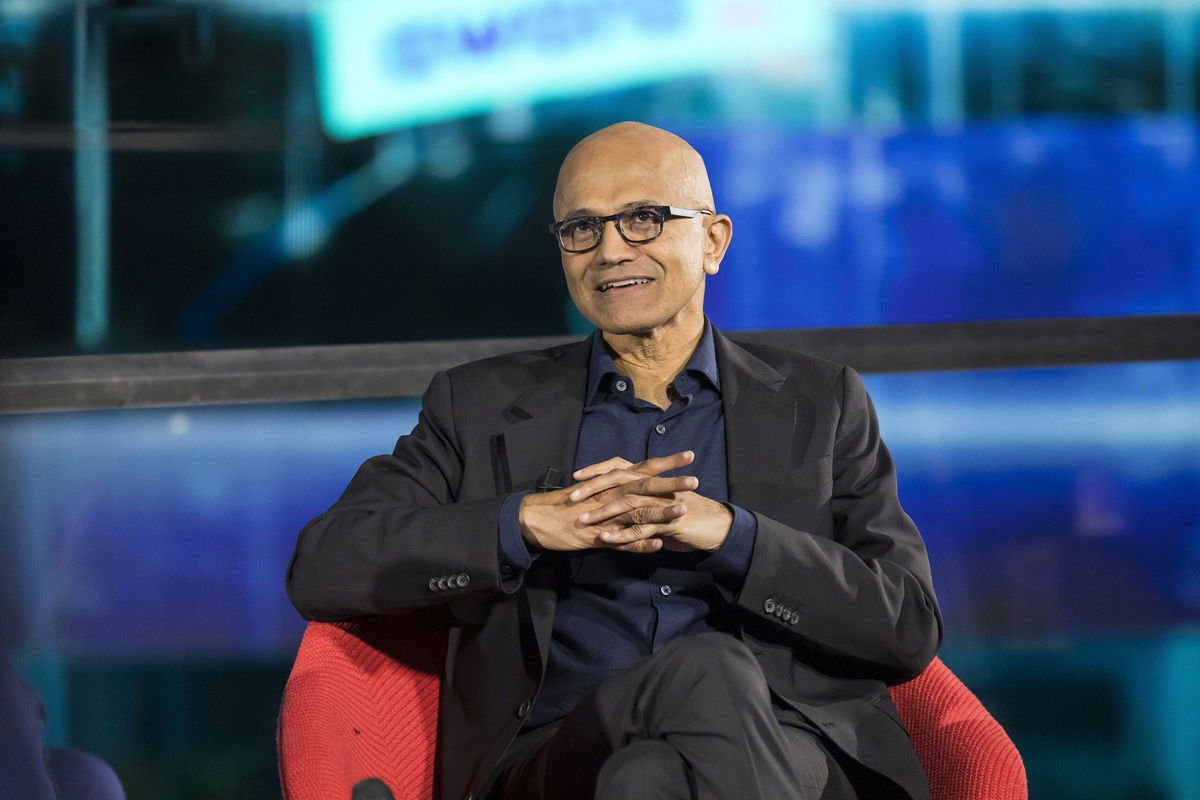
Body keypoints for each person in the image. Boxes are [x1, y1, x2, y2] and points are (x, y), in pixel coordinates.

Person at [286, 121, 942, 800]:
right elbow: (326, 565)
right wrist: (524, 524)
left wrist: (733, 537)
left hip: (785, 747)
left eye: (643, 219)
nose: (609, 250)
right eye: (581, 228)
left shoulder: (819, 402)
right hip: (558, 752)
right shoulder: (479, 405)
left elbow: (905, 626)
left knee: (647, 777)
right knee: (697, 680)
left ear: (713, 240)